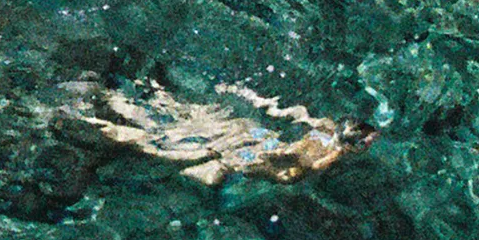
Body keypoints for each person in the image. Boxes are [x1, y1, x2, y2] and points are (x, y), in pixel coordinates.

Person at [69, 79, 377, 185]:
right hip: (251, 154)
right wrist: (274, 162)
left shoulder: (324, 124)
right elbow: (295, 169)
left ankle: (116, 96)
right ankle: (96, 119)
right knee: (158, 144)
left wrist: (254, 97)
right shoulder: (329, 156)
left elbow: (287, 111)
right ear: (354, 145)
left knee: (184, 120)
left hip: (256, 135)